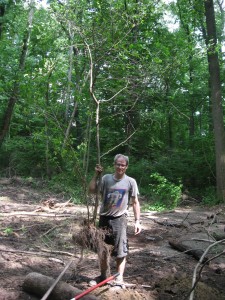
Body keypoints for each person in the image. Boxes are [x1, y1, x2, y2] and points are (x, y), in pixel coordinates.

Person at [88, 154, 142, 285]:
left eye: (123, 165)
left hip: (120, 219)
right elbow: (91, 190)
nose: (120, 167)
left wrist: (137, 221)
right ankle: (103, 276)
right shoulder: (106, 179)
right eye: (118, 164)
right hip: (104, 218)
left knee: (120, 250)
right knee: (103, 248)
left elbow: (135, 202)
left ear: (126, 166)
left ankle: (119, 279)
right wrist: (96, 175)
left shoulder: (131, 182)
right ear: (114, 164)